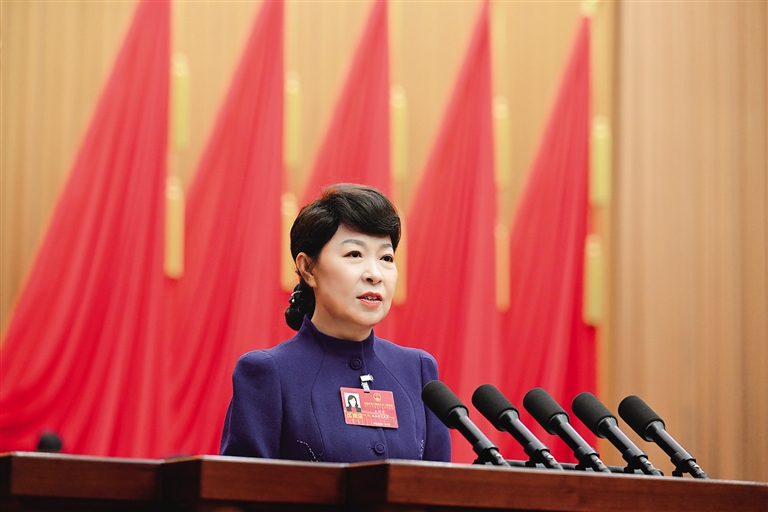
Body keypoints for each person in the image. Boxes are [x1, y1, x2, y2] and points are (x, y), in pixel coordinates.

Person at [220, 183, 451, 463]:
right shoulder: (268, 373)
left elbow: (438, 481)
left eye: (386, 258)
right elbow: (243, 486)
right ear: (308, 269)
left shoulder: (418, 370)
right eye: (354, 254)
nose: (375, 274)